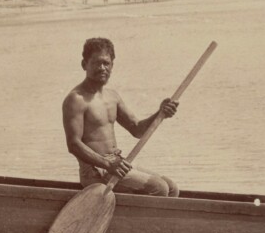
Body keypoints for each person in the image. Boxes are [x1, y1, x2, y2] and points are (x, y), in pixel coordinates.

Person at [62, 37, 180, 197]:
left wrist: (160, 113)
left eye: (107, 63)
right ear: (84, 64)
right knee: (160, 188)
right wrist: (107, 163)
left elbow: (137, 129)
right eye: (97, 63)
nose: (103, 68)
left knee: (172, 188)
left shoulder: (112, 97)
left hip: (116, 163)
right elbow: (73, 144)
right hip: (95, 171)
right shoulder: (76, 99)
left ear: (112, 66)